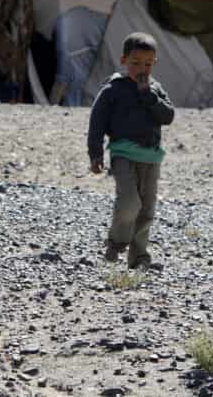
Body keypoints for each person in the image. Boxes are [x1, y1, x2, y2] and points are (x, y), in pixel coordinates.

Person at [88, 32, 175, 270]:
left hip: (151, 157)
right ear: (124, 60)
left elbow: (168, 116)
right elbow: (97, 121)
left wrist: (149, 96)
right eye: (135, 63)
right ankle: (116, 241)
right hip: (123, 154)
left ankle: (138, 257)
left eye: (147, 64)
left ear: (154, 63)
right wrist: (95, 154)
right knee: (128, 203)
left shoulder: (155, 89)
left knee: (146, 210)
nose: (141, 68)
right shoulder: (114, 89)